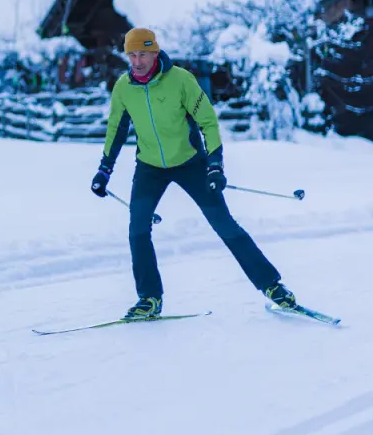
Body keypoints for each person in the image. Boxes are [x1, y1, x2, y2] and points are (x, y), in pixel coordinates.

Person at [91, 27, 296, 320]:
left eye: (143, 54)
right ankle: (149, 299)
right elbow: (116, 129)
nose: (137, 61)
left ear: (155, 52)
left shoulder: (181, 81)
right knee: (137, 230)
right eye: (132, 55)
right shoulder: (123, 87)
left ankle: (273, 286)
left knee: (224, 224)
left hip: (191, 163)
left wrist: (215, 165)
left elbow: (208, 122)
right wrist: (104, 169)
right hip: (150, 167)